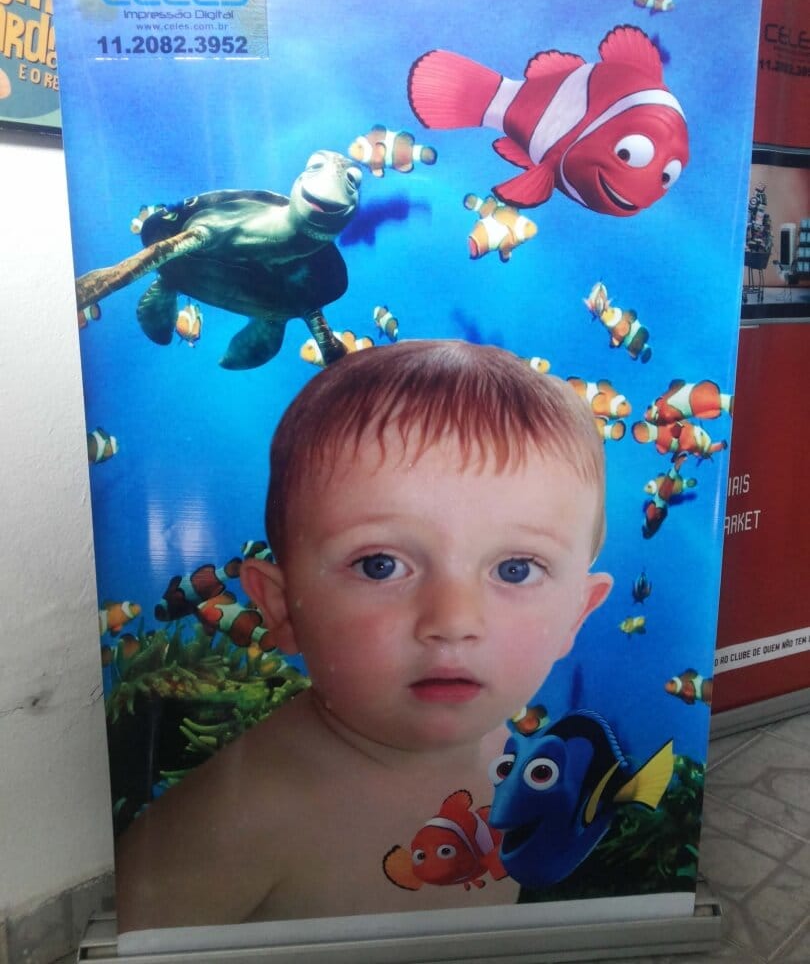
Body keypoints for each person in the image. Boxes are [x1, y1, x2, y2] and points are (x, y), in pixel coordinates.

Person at [115, 339, 613, 932]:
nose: (454, 621)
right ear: (281, 607)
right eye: (380, 565)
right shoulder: (233, 823)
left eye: (515, 569)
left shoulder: (519, 763)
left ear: (577, 614)